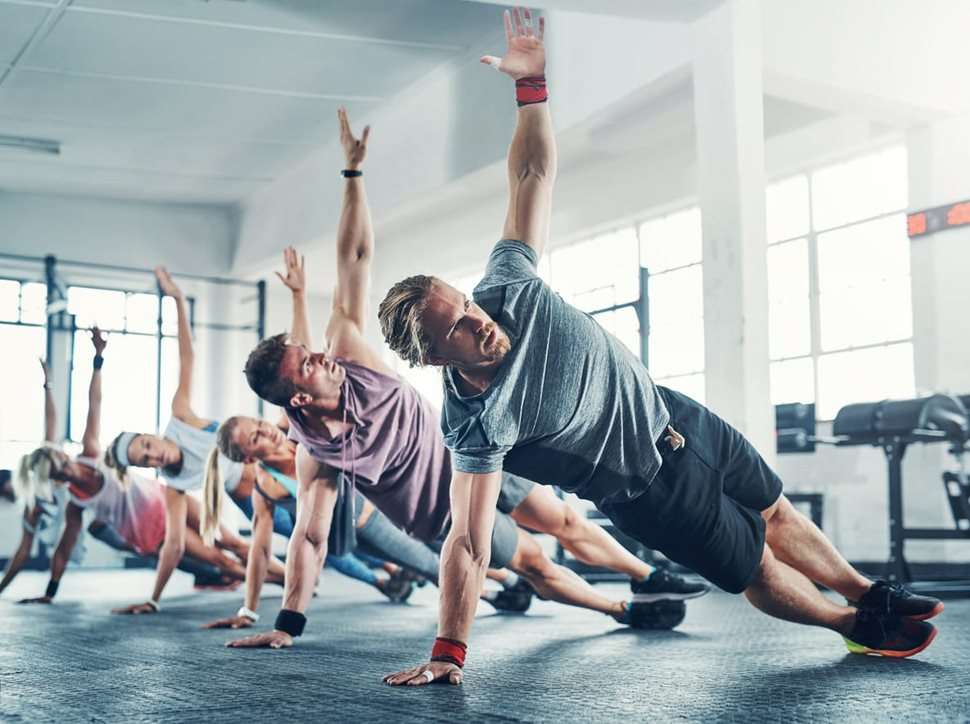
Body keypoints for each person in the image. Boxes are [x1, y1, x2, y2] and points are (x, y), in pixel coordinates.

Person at [378, 8, 942, 686]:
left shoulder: (508, 284)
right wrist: (449, 649)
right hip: (649, 489)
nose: (479, 320)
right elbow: (467, 542)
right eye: (459, 326)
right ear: (435, 356)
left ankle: (864, 591)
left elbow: (532, 176)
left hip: (678, 416)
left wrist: (532, 89)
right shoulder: (475, 423)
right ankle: (854, 629)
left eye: (465, 304)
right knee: (755, 565)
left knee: (775, 509)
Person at [232, 108, 707, 650]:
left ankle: (648, 576)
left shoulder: (348, 349)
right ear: (297, 396)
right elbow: (311, 537)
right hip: (441, 512)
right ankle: (621, 609)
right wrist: (288, 623)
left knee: (563, 520)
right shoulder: (316, 452)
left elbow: (356, 257)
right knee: (530, 561)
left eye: (309, 351)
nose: (319, 357)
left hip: (480, 454)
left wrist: (353, 174)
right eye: (307, 365)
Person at [14, 329, 254, 606]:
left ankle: (283, 576)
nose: (69, 470)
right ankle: (268, 582)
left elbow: (95, 403)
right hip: (153, 531)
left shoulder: (91, 452)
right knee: (218, 558)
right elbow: (64, 548)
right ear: (56, 479)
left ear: (64, 457)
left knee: (231, 542)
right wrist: (50, 591)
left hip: (165, 499)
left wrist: (98, 359)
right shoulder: (76, 504)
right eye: (62, 473)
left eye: (65, 463)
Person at [105, 269, 284, 614]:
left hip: (268, 464)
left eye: (145, 447)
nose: (152, 457)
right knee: (261, 546)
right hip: (249, 495)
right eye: (144, 462)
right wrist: (153, 599)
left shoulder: (180, 417)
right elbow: (172, 545)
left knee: (332, 526)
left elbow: (188, 357)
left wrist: (176, 299)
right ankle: (293, 581)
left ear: (149, 436)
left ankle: (371, 570)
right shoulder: (172, 485)